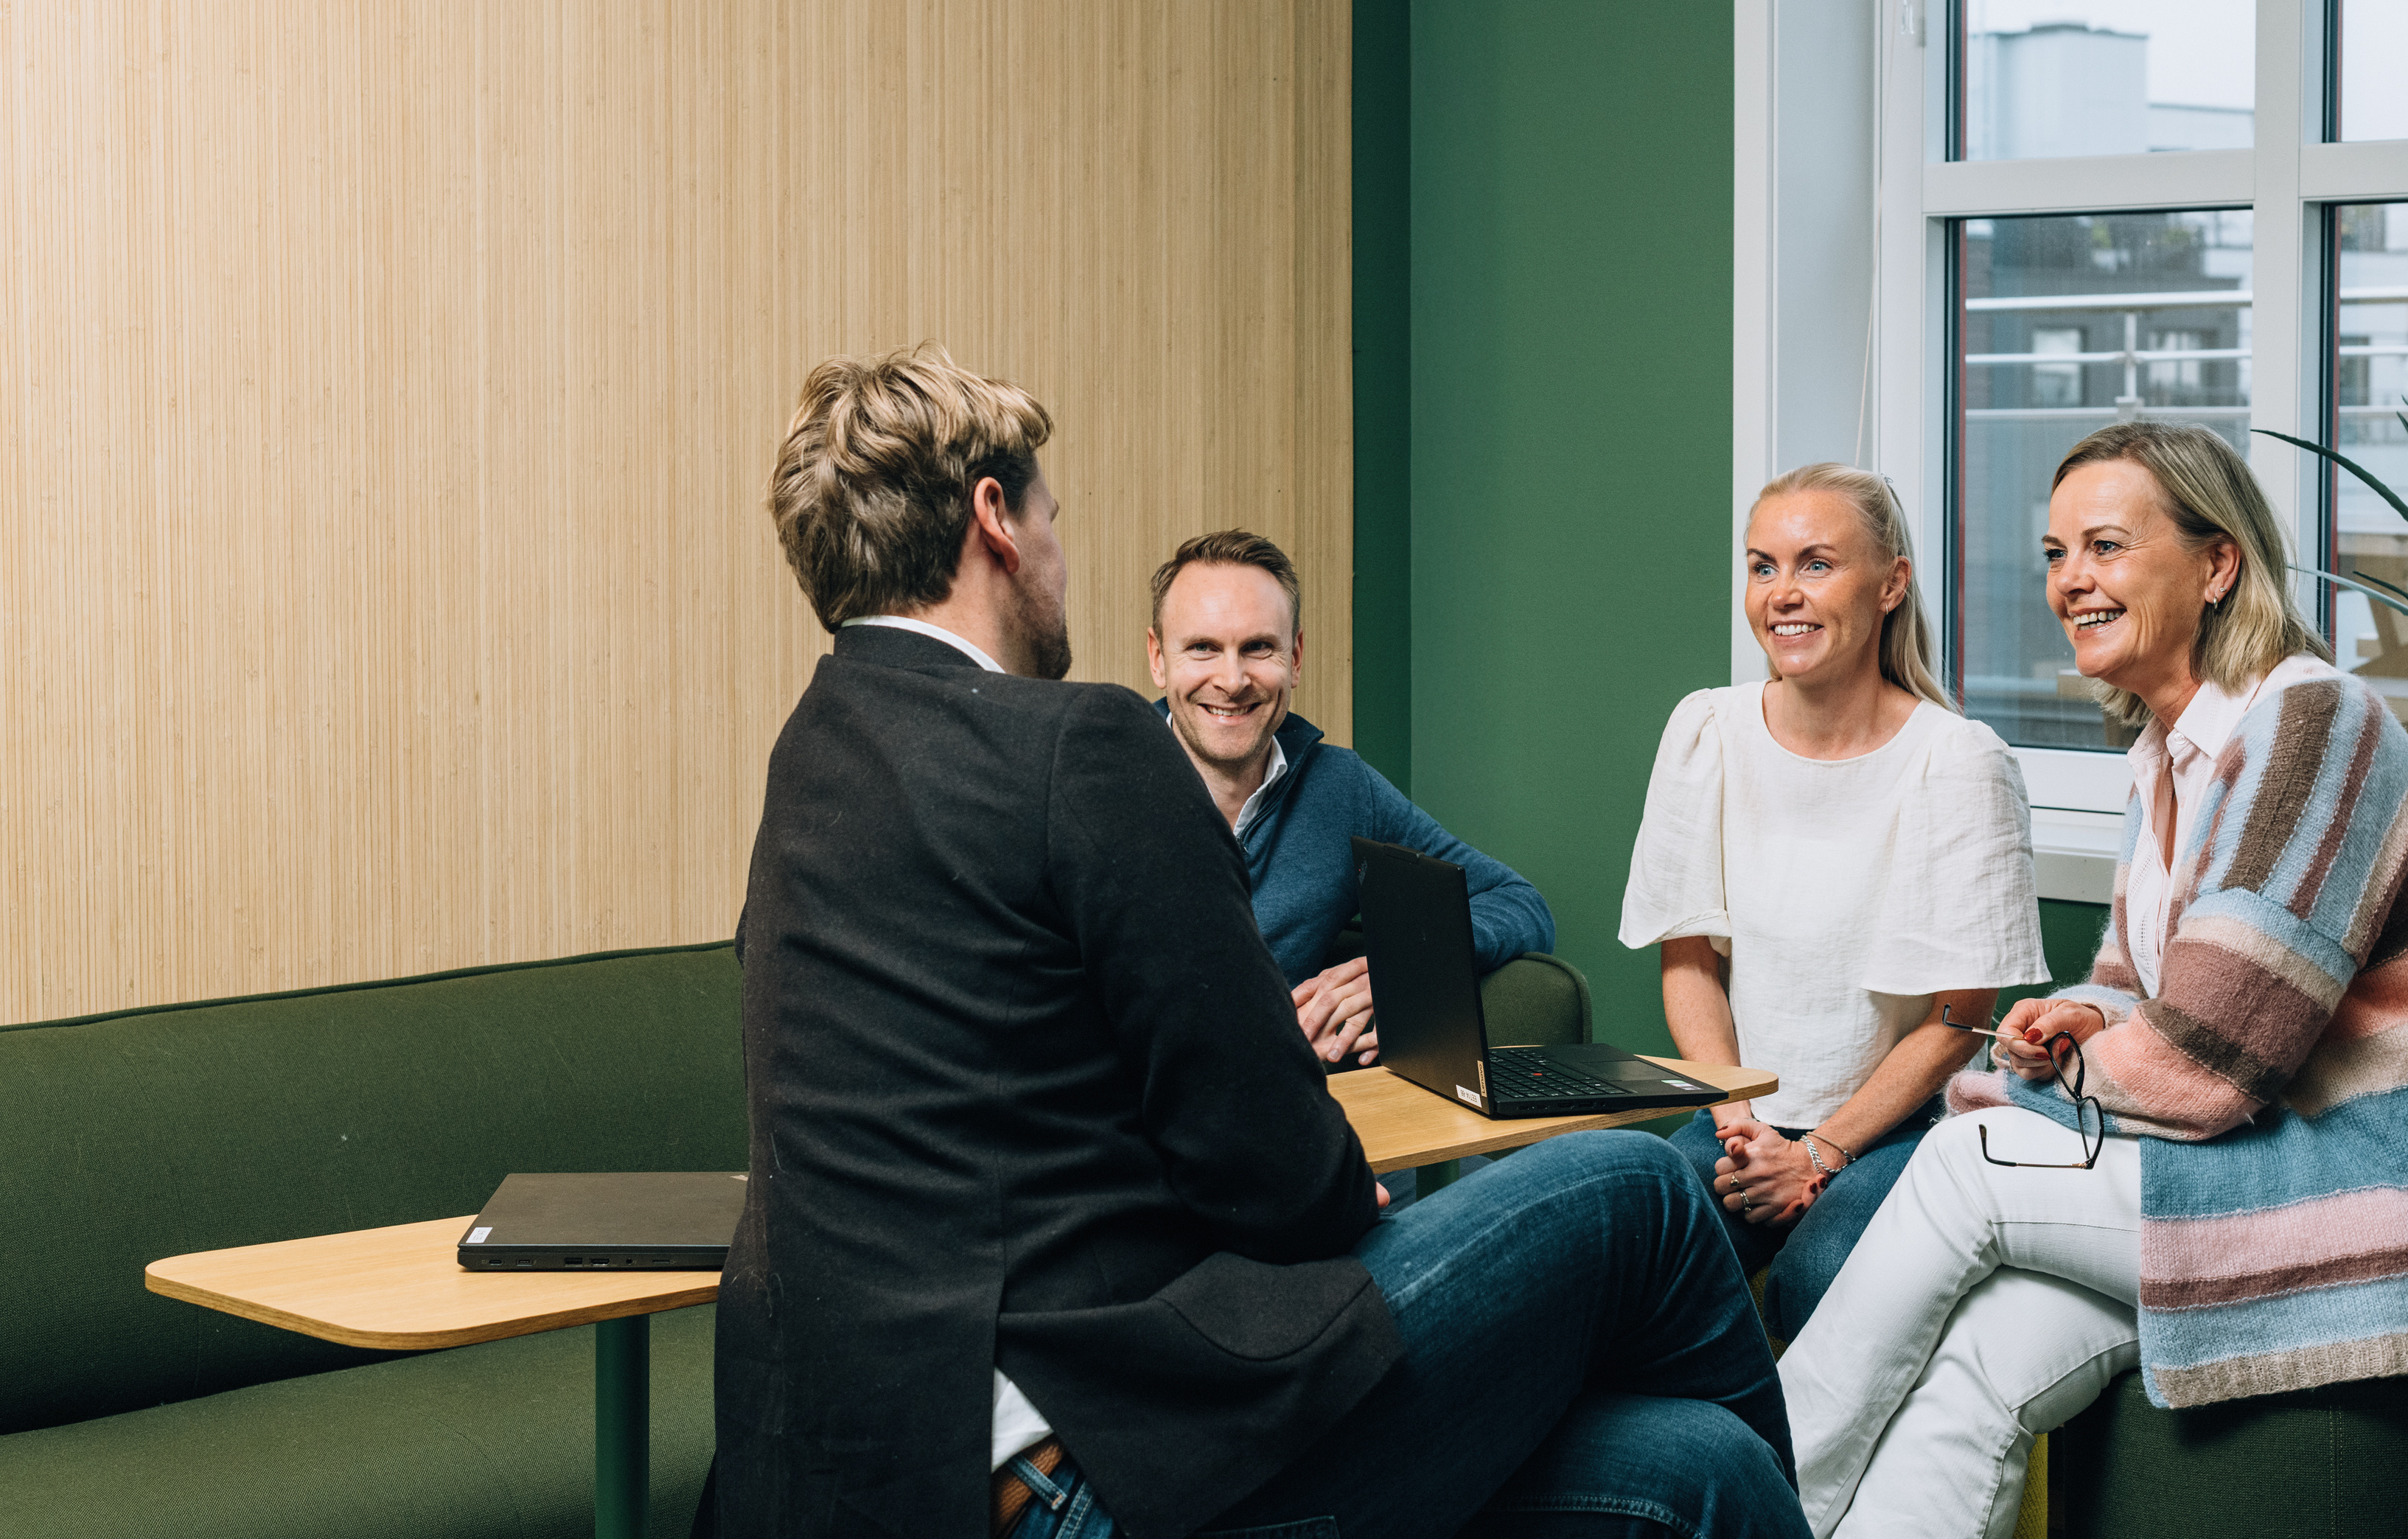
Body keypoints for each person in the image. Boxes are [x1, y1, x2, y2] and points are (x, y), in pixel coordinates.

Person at [712, 343, 1806, 1539]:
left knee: (1696, 1468)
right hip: (1103, 1459)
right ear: (995, 520)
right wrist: (1326, 1184)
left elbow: (995, 1095)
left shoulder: (813, 755)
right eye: (1052, 518)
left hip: (892, 1475)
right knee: (1642, 1185)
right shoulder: (1081, 746)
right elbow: (1279, 1173)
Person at [1779, 422, 2408, 1539]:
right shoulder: (2170, 758)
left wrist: (2022, 1085)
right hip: (2268, 1167)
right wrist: (2080, 1019)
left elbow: (2212, 1058)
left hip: (2395, 1193)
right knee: (1987, 1352)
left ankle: (1754, 1510)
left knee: (1969, 1159)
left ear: (2216, 566)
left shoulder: (2311, 723)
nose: (2072, 581)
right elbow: (2143, 989)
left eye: (2106, 546)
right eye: (2057, 554)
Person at [1622, 464, 2047, 1341]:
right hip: (1741, 1109)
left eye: (1815, 564)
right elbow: (1689, 959)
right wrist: (1739, 1124)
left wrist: (1819, 1151)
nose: (1782, 594)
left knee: (1815, 1279)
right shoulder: (1705, 730)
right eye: (1762, 565)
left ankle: (1789, 1480)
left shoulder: (1957, 759)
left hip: (1894, 1122)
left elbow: (1961, 1017)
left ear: (1891, 583)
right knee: (1641, 1268)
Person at [1147, 529, 1554, 1070]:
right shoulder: (1088, 787)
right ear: (1158, 658)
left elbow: (1517, 900)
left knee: (1631, 1154)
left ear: (1294, 657)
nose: (1232, 679)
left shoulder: (1340, 788)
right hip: (1132, 1126)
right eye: (1202, 648)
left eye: (1258, 648)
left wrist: (1406, 966)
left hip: (1303, 1119)